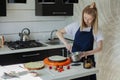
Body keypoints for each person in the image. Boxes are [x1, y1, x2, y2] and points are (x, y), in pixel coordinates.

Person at [56, 2, 103, 80]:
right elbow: (58, 32)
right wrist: (66, 43)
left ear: (94, 18)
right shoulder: (76, 25)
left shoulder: (96, 30)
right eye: (85, 17)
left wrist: (86, 53)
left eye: (89, 19)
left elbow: (100, 48)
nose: (86, 21)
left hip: (88, 61)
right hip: (75, 60)